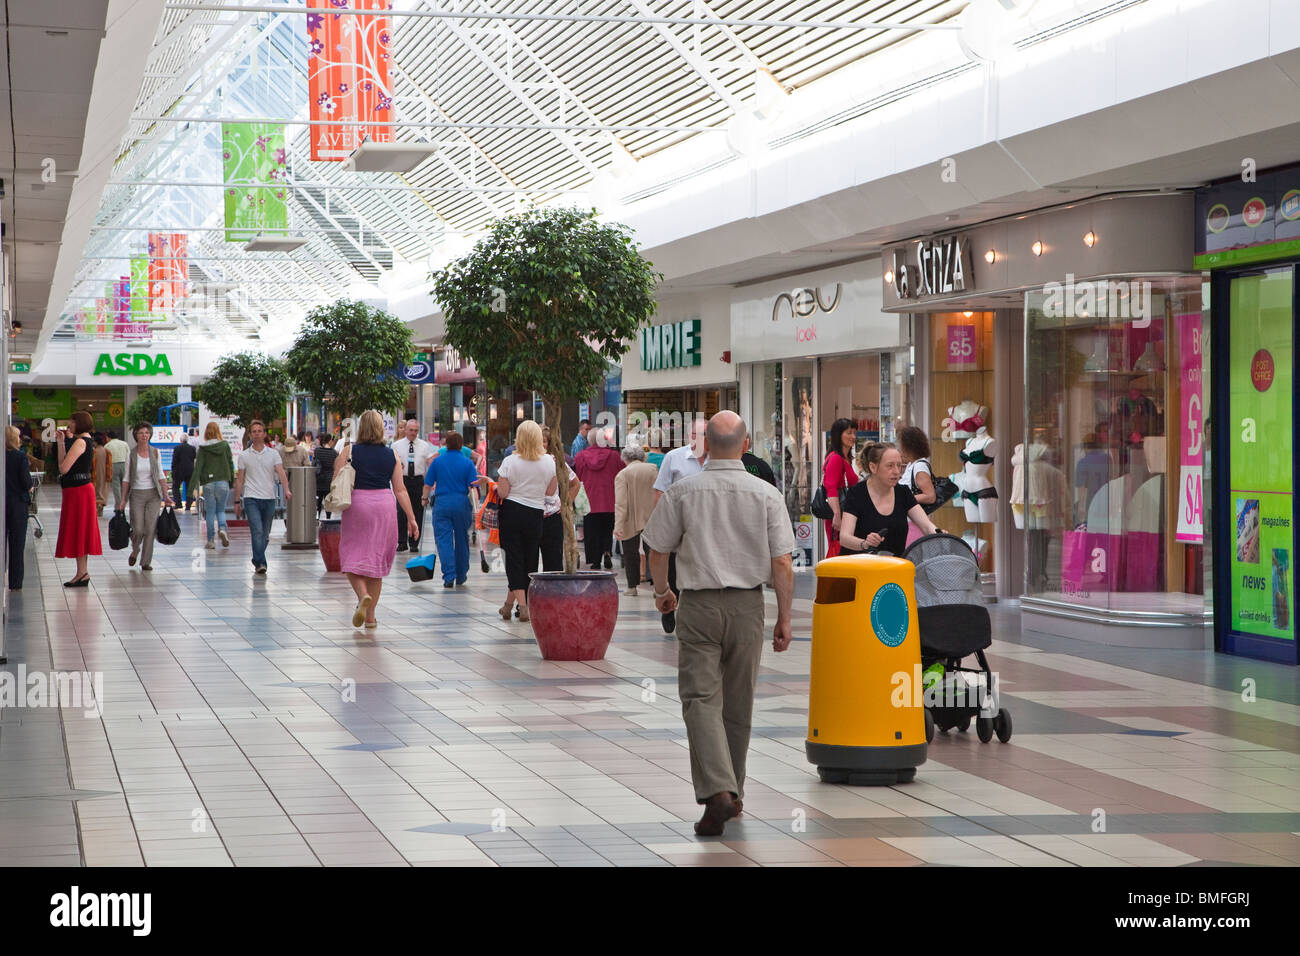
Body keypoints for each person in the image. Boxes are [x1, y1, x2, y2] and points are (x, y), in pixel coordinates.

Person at [642, 411, 796, 836]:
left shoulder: (683, 491)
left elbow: (657, 548)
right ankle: (735, 792)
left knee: (700, 699)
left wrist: (661, 593)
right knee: (738, 702)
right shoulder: (766, 493)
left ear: (705, 445)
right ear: (746, 446)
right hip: (749, 607)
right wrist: (784, 617)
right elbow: (782, 561)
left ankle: (718, 792)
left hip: (699, 607)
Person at [335, 410, 419, 627]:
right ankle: (371, 618)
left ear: (361, 427)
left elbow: (336, 480)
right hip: (384, 505)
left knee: (350, 556)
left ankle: (362, 595)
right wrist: (411, 518)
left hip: (358, 504)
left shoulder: (349, 451)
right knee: (376, 562)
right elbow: (400, 490)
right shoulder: (391, 455)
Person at [495, 420, 557, 623]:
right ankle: (509, 605)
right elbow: (550, 492)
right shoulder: (550, 461)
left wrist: (496, 488)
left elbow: (503, 492)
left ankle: (523, 607)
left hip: (512, 512)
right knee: (530, 559)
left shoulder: (510, 462)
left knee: (514, 560)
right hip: (536, 513)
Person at [651, 416, 708, 632]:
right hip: (677, 522)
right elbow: (660, 490)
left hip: (705, 525)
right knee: (674, 569)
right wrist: (660, 521)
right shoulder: (674, 458)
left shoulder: (717, 459)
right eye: (694, 434)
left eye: (702, 435)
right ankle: (669, 609)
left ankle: (695, 612)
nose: (697, 439)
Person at [839, 442, 938, 558]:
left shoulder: (903, 493)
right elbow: (845, 537)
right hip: (861, 568)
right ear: (873, 467)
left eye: (899, 465)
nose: (896, 471)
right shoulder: (856, 493)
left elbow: (927, 526)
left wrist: (940, 534)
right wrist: (864, 544)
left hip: (894, 569)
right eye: (890, 466)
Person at [421, 432, 487, 588]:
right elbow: (473, 485)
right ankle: (461, 574)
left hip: (442, 503)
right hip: (461, 503)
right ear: (461, 445)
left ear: (446, 445)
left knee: (443, 540)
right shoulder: (467, 463)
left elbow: (427, 484)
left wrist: (424, 499)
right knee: (462, 539)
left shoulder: (438, 462)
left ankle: (449, 576)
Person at [233, 420, 291, 575]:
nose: (257, 434)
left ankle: (256, 558)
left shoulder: (273, 454)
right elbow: (240, 479)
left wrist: (286, 490)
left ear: (264, 434)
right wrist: (237, 500)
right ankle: (261, 563)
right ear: (250, 434)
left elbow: (281, 473)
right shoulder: (244, 456)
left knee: (265, 535)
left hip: (269, 498)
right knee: (257, 531)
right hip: (251, 497)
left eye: (260, 431)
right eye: (254, 431)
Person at [54, 411, 104, 587]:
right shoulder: (85, 440)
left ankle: (82, 572)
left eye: (72, 422)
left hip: (78, 491)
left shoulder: (80, 441)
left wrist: (62, 443)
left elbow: (64, 468)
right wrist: (61, 442)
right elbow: (64, 466)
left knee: (79, 529)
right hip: (80, 489)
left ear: (79, 423)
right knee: (80, 530)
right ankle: (82, 572)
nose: (69, 425)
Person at [122, 422, 174, 572]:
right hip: (136, 494)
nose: (144, 435)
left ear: (150, 435)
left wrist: (166, 495)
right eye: (141, 433)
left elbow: (161, 475)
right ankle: (135, 549)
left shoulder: (155, 452)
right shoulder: (130, 454)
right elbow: (126, 478)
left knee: (150, 529)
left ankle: (145, 562)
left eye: (146, 433)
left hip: (153, 494)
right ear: (136, 436)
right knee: (138, 529)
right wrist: (123, 500)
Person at [573, 427, 625, 571]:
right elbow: (621, 474)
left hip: (589, 501)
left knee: (591, 532)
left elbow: (576, 477)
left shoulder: (580, 456)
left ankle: (595, 561)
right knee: (607, 529)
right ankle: (607, 551)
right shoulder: (614, 456)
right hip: (609, 499)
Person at [613, 444, 657, 596]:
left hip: (630, 518)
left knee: (630, 552)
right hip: (652, 516)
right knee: (652, 551)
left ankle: (632, 587)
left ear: (625, 458)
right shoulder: (653, 469)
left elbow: (621, 503)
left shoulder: (622, 474)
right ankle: (657, 587)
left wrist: (618, 526)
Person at [539, 426, 579, 573]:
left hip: (551, 517)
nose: (541, 444)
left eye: (544, 441)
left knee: (553, 562)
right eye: (538, 441)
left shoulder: (555, 461)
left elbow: (575, 483)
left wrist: (564, 504)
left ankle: (554, 593)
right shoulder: (523, 461)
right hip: (530, 514)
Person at [392, 419, 435, 553]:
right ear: (405, 430)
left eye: (416, 431)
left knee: (418, 511)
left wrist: (431, 481)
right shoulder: (396, 445)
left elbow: (429, 463)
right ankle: (401, 542)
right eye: (411, 430)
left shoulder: (424, 445)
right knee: (401, 512)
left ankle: (414, 543)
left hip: (418, 481)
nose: (413, 433)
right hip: (402, 480)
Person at [821, 418, 859, 559]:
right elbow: (830, 487)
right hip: (839, 512)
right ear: (838, 435)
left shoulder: (844, 458)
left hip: (845, 512)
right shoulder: (836, 458)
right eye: (849, 433)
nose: (853, 437)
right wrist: (837, 515)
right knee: (839, 549)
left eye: (854, 433)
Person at [195, 421, 235, 550]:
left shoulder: (203, 447)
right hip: (223, 482)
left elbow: (198, 467)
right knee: (221, 510)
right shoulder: (224, 445)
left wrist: (194, 486)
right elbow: (230, 463)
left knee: (210, 512)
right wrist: (231, 482)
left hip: (208, 484)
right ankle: (222, 529)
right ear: (218, 431)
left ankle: (211, 541)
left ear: (206, 432)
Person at [898, 425, 936, 547]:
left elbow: (930, 496)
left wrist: (905, 498)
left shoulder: (919, 466)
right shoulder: (912, 465)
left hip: (916, 523)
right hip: (910, 521)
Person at [5, 425, 33, 590]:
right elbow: (26, 482)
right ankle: (15, 582)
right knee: (17, 544)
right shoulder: (20, 457)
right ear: (13, 439)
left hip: (3, 503)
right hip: (18, 504)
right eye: (18, 436)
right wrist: (29, 487)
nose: (20, 439)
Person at [170, 431, 197, 512]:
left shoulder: (177, 448)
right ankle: (188, 506)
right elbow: (193, 459)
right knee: (189, 488)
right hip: (190, 470)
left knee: (175, 487)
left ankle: (178, 504)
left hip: (179, 471)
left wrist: (173, 471)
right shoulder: (192, 448)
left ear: (180, 440)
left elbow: (174, 461)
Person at [314, 434, 339, 516]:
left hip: (318, 478)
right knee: (328, 501)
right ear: (330, 441)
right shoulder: (334, 453)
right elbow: (335, 467)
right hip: (329, 479)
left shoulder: (317, 451)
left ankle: (317, 518)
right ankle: (328, 517)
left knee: (318, 500)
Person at [105, 429, 128, 512]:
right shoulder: (124, 443)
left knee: (116, 486)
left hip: (113, 465)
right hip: (124, 464)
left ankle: (118, 505)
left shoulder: (107, 445)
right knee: (124, 485)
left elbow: (106, 458)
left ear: (109, 437)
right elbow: (128, 455)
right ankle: (124, 502)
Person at [92, 432, 109, 515]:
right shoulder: (106, 451)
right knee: (103, 491)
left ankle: (97, 509)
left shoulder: (95, 451)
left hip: (96, 473)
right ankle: (100, 509)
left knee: (97, 491)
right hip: (105, 473)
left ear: (96, 442)